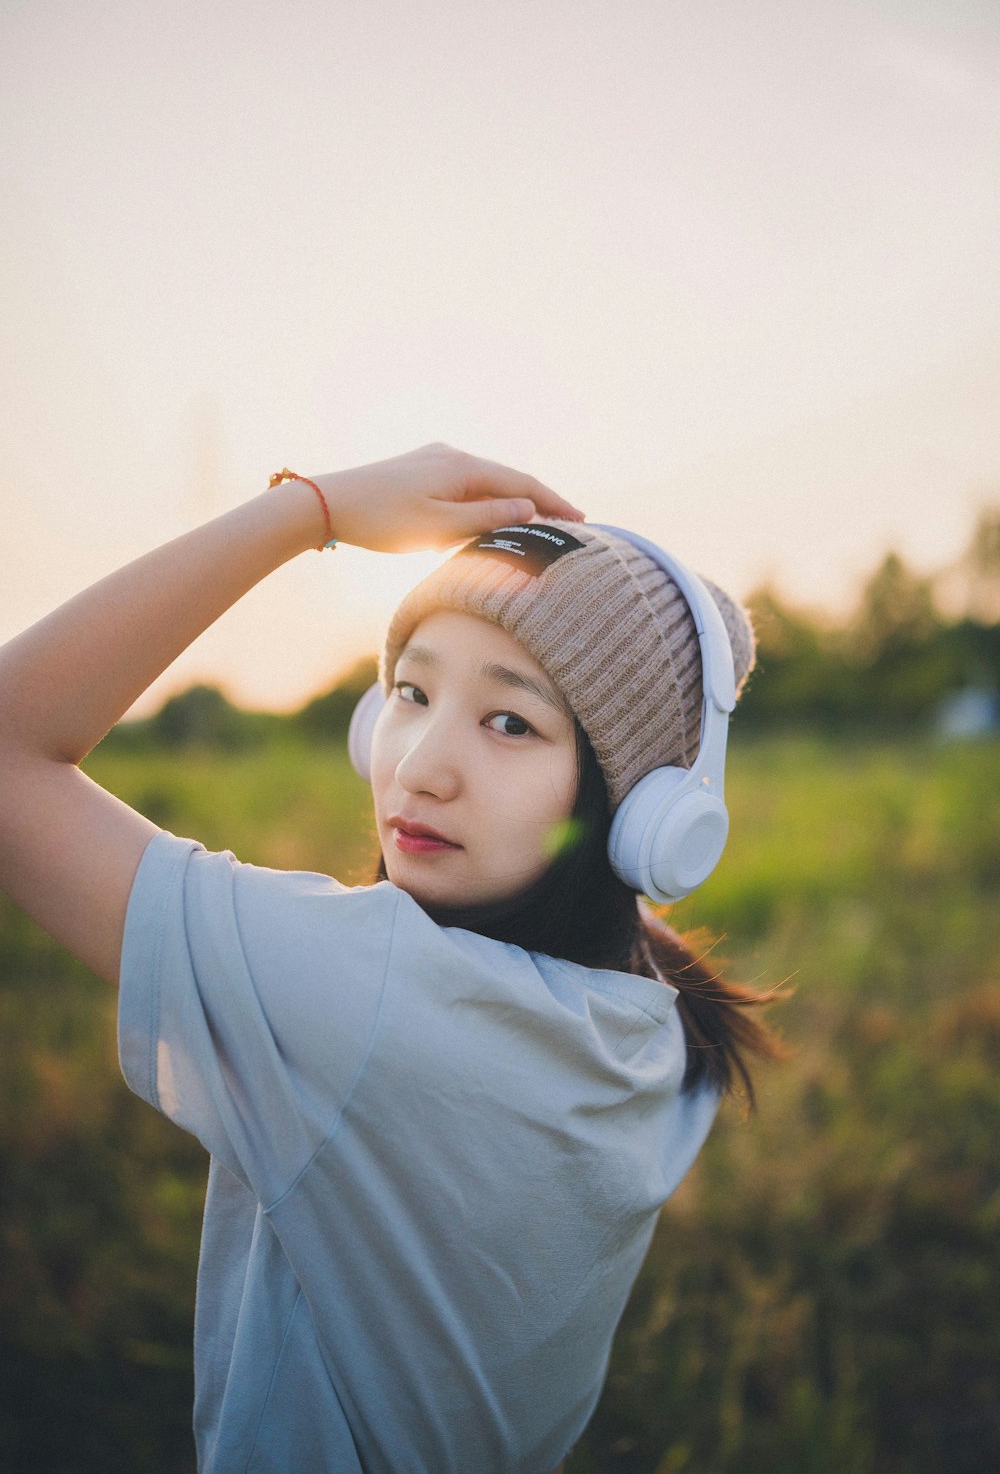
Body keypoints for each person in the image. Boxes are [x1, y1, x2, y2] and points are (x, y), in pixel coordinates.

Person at [0, 443, 784, 1473]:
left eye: (509, 720)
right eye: (409, 694)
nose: (417, 766)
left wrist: (307, 510)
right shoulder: (653, 1007)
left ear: (637, 811)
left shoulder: (370, 994)